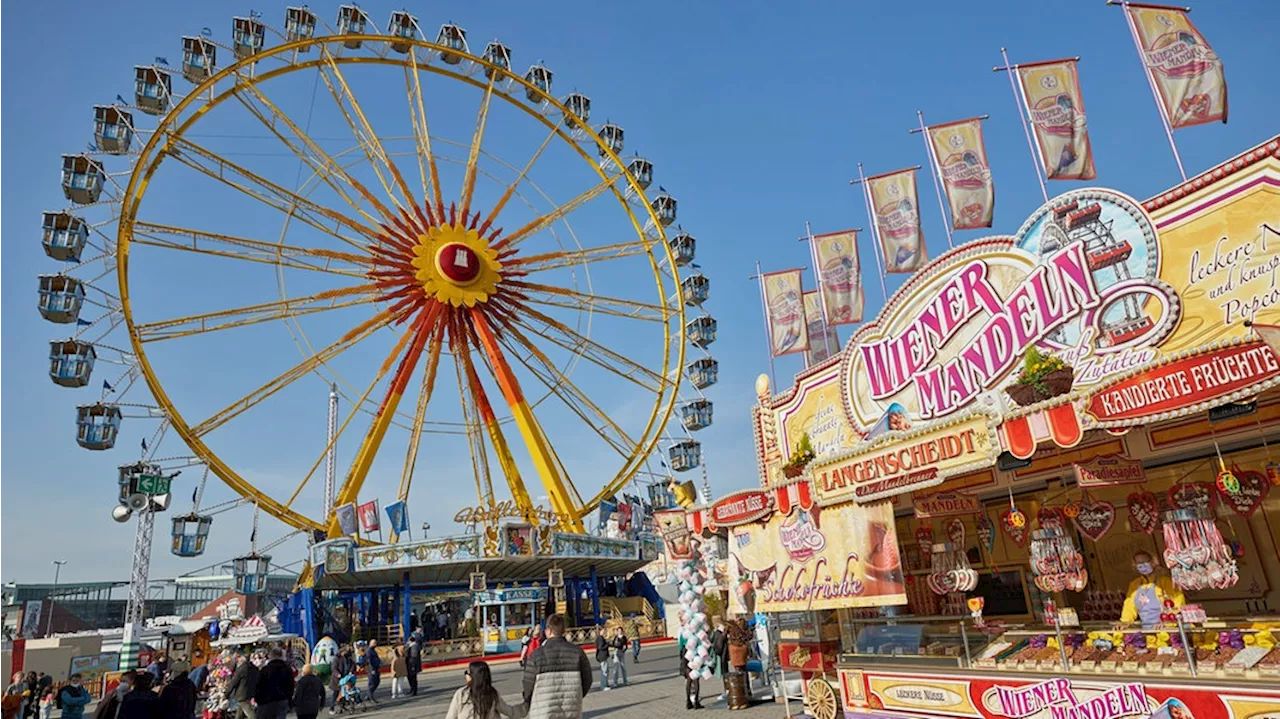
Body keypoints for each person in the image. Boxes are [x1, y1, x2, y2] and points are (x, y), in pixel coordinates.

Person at [521, 614, 592, 719]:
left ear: (548, 631)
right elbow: (587, 680)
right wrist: (575, 697)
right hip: (571, 711)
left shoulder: (536, 655)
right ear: (563, 631)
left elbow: (528, 684)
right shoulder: (578, 652)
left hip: (543, 711)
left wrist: (530, 700)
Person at [1120, 550, 1186, 628]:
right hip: (1148, 629)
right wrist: (1125, 622)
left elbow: (1178, 602)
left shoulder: (1165, 581)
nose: (1142, 565)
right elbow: (1129, 606)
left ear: (1153, 562)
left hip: (1167, 628)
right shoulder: (1134, 585)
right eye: (1138, 563)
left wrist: (1169, 622)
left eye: (1145, 562)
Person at [445, 661, 525, 719]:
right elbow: (510, 711)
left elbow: (451, 716)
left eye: (467, 673)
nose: (466, 675)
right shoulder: (492, 694)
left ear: (473, 677)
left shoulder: (461, 694)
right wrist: (526, 706)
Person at [254, 648, 294, 719]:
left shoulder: (265, 670)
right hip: (282, 700)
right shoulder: (287, 669)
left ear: (270, 656)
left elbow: (258, 686)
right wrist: (289, 700)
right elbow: (291, 686)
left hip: (266, 701)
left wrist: (258, 699)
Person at [226, 654, 259, 719]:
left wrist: (226, 694)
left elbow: (233, 682)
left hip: (242, 694)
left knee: (250, 712)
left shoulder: (241, 669)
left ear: (242, 661)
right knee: (240, 712)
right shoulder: (254, 668)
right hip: (250, 692)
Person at [677, 633, 702, 711]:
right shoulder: (696, 630)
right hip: (695, 652)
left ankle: (688, 701)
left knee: (689, 678)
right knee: (696, 678)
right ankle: (696, 701)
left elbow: (680, 645)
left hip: (686, 653)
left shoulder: (683, 632)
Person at [327, 647, 354, 716]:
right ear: (341, 652)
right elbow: (334, 668)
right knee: (335, 694)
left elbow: (352, 665)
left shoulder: (348, 658)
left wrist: (351, 671)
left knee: (345, 693)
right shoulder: (337, 659)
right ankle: (331, 708)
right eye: (344, 652)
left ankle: (342, 706)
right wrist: (337, 674)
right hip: (337, 680)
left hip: (345, 678)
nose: (345, 653)